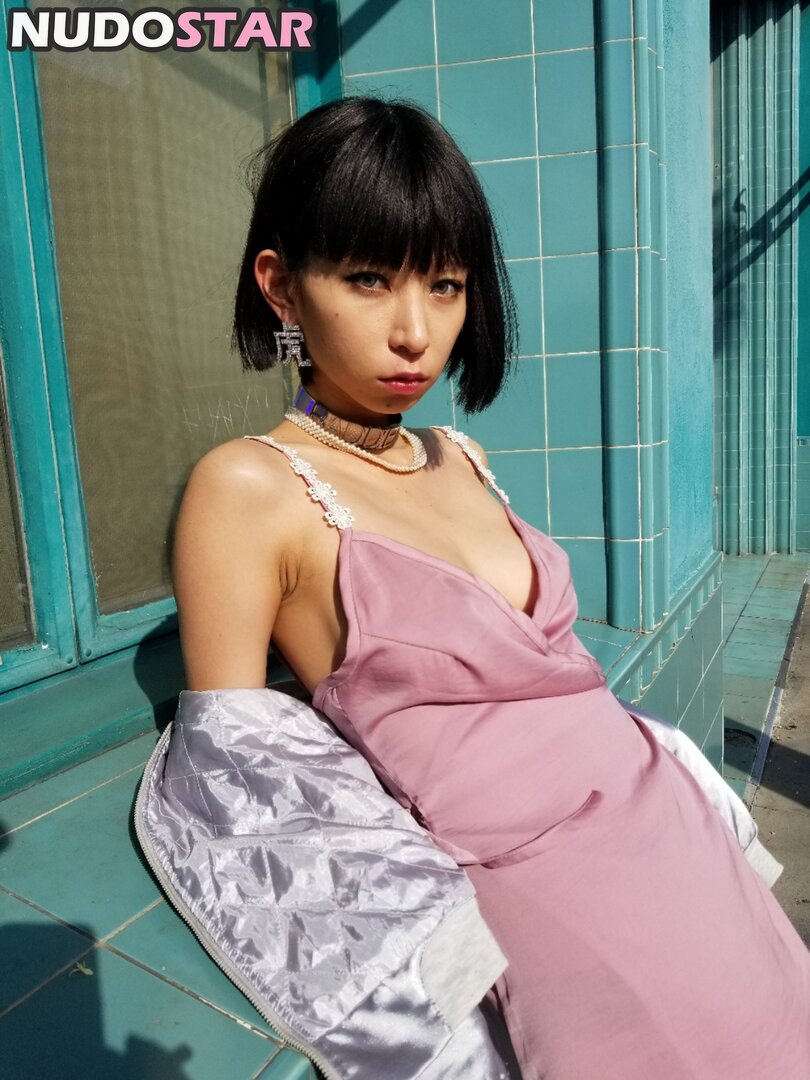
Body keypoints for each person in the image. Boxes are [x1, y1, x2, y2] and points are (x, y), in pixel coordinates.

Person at [171, 97, 810, 1079]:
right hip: (557, 900)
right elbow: (240, 775)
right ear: (282, 288)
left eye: (446, 285)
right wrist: (441, 967)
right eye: (369, 279)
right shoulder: (249, 487)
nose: (415, 332)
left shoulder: (459, 455)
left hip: (673, 831)